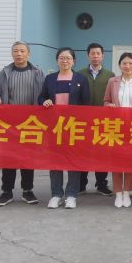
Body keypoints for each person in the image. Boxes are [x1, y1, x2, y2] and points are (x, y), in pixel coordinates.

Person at [0, 41, 45, 206]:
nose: (19, 54)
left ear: (29, 54)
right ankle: (6, 191)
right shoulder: (4, 72)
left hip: (30, 123)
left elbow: (44, 94)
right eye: (16, 51)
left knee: (27, 158)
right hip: (9, 123)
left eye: (22, 51)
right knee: (8, 158)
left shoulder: (38, 73)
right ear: (12, 54)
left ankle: (27, 190)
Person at [38, 47, 90, 209]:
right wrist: (44, 101)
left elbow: (86, 104)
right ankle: (56, 194)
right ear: (57, 60)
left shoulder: (81, 79)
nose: (65, 61)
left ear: (73, 61)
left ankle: (71, 195)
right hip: (54, 127)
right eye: (62, 58)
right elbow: (41, 97)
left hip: (73, 127)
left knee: (73, 161)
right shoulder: (50, 78)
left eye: (68, 58)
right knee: (55, 161)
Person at [104, 52, 132, 208]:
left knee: (129, 160)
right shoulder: (112, 81)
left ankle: (127, 191)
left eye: (130, 63)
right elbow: (106, 101)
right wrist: (109, 106)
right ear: (119, 65)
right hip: (116, 126)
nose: (127, 66)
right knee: (116, 160)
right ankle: (118, 193)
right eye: (124, 63)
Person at [77, 43, 115, 196]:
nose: (95, 56)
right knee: (82, 153)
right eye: (92, 53)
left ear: (103, 56)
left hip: (103, 121)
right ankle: (81, 184)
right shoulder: (79, 74)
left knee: (102, 154)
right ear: (88, 56)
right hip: (83, 121)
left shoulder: (110, 75)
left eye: (98, 53)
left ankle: (101, 184)